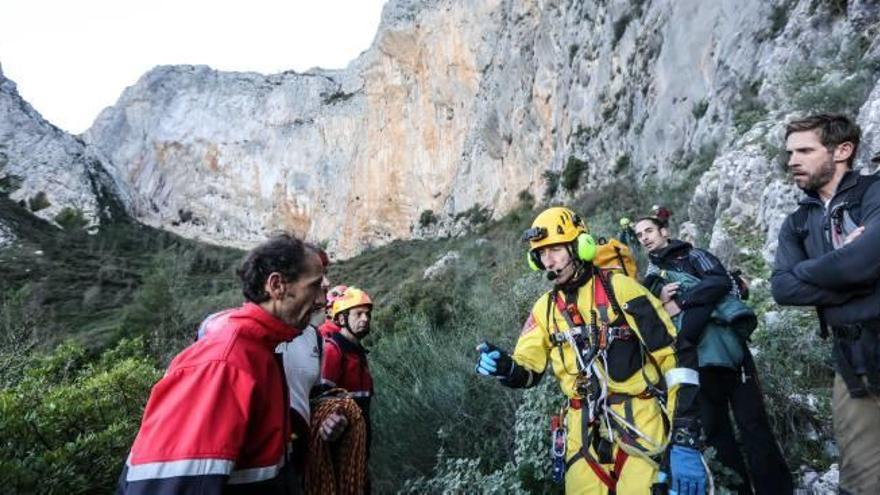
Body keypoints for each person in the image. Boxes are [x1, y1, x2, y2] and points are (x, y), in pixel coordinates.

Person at [476, 206, 706, 494]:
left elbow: (674, 357)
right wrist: (507, 368)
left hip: (639, 425)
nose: (549, 261)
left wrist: (684, 437)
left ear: (581, 247)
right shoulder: (545, 310)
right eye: (541, 254)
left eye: (556, 250)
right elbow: (528, 369)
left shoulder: (621, 290)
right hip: (581, 436)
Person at [117, 234, 328, 494]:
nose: (323, 300)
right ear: (277, 286)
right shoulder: (224, 365)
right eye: (315, 285)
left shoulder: (261, 352)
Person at [634, 212, 792, 494]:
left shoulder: (694, 256)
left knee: (754, 425)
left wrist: (682, 300)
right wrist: (660, 302)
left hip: (729, 351)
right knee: (717, 433)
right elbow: (652, 321)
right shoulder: (650, 280)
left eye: (649, 230)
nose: (644, 237)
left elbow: (719, 281)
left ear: (664, 232)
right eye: (639, 235)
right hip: (693, 359)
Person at [771, 113, 880, 494]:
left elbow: (866, 259)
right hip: (852, 364)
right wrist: (860, 280)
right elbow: (782, 288)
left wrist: (813, 270)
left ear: (843, 151)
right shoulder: (796, 223)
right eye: (790, 153)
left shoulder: (874, 193)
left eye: (805, 150)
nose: (792, 161)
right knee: (862, 481)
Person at [196, 250, 348, 493]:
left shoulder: (315, 340)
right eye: (317, 280)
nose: (326, 287)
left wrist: (328, 419)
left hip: (292, 463)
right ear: (277, 285)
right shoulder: (228, 343)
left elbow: (314, 397)